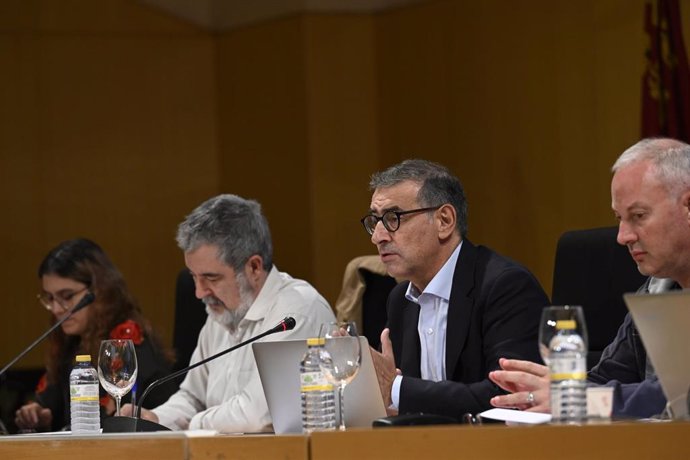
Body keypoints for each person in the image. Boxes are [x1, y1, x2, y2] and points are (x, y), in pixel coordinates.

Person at [489, 137, 690, 418]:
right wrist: (555, 389)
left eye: (639, 215)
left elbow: (680, 397)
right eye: (619, 217)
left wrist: (577, 399)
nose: (623, 237)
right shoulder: (656, 288)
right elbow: (606, 377)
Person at [124, 194, 335, 432]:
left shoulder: (297, 312)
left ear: (254, 267)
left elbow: (260, 415)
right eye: (194, 277)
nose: (199, 293)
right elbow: (193, 397)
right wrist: (156, 419)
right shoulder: (220, 314)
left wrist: (193, 424)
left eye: (211, 278)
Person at [363, 159, 549, 418]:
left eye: (393, 218)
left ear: (444, 220)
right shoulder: (400, 300)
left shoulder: (505, 286)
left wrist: (396, 390)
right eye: (375, 221)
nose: (378, 236)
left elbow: (508, 395)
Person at [14, 238, 176, 432]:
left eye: (67, 296)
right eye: (50, 298)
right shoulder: (70, 339)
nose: (56, 308)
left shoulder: (124, 341)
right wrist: (40, 414)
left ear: (99, 292)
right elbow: (53, 402)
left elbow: (112, 419)